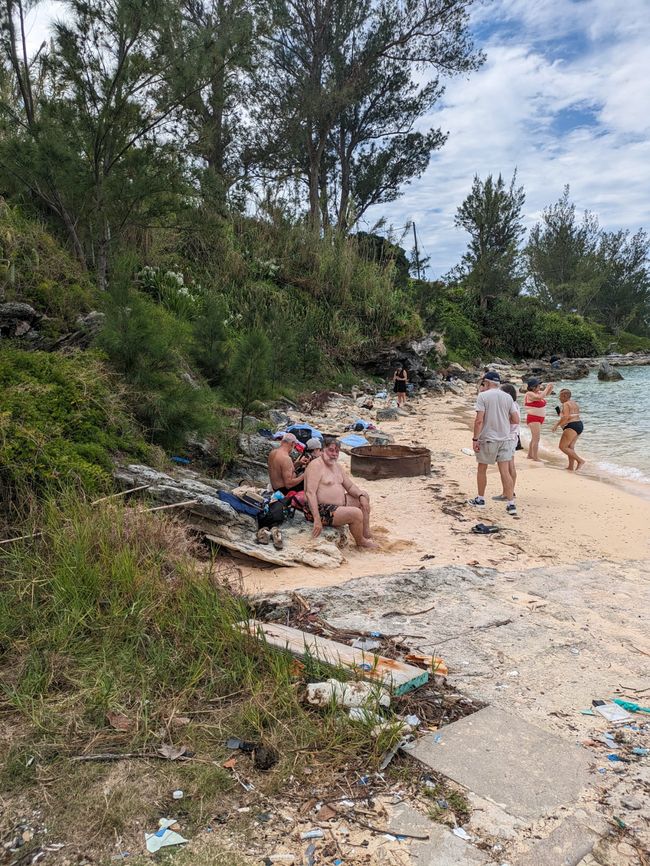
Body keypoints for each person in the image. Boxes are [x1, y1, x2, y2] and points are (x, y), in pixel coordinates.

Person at [303, 437, 377, 548]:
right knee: (356, 513)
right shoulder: (315, 466)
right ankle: (360, 541)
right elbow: (310, 493)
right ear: (323, 450)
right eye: (331, 450)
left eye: (337, 451)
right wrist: (317, 519)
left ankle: (365, 533)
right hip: (320, 509)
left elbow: (350, 486)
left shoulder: (337, 466)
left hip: (338, 506)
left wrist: (361, 495)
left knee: (364, 495)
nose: (334, 454)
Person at [468, 371, 520, 517]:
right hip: (505, 439)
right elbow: (515, 419)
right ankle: (511, 504)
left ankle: (480, 499)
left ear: (488, 383)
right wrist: (502, 422)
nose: (483, 385)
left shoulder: (483, 396)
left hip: (488, 438)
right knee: (505, 471)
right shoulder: (508, 397)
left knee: (482, 469)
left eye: (484, 383)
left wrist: (475, 439)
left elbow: (479, 420)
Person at [492, 382, 519, 500]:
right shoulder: (515, 404)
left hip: (508, 437)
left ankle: (506, 493)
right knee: (510, 466)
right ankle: (510, 491)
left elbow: (512, 420)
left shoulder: (509, 405)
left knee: (506, 467)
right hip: (514, 436)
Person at [551, 388, 585, 471]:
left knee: (562, 447)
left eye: (560, 396)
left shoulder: (566, 404)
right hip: (579, 425)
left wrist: (556, 425)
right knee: (570, 447)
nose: (559, 398)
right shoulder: (575, 403)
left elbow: (566, 418)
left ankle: (580, 461)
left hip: (572, 426)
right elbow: (572, 415)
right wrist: (561, 415)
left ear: (565, 396)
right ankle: (570, 467)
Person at [524, 377, 554, 461]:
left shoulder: (538, 393)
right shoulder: (529, 394)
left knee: (534, 438)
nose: (540, 387)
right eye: (538, 385)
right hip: (533, 418)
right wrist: (547, 388)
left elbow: (546, 394)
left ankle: (530, 455)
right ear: (533, 387)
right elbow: (540, 397)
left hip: (538, 419)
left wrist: (550, 388)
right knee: (537, 438)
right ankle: (535, 457)